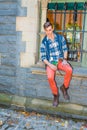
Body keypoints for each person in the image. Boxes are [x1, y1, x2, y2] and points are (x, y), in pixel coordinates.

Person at [40, 21, 73, 107]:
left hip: (60, 60)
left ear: (53, 29)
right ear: (45, 30)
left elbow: (65, 49)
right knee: (50, 77)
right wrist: (51, 65)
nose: (48, 32)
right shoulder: (44, 42)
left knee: (69, 69)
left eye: (50, 30)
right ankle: (55, 95)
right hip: (51, 62)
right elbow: (43, 58)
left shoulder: (60, 38)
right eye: (47, 30)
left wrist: (65, 59)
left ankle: (64, 87)